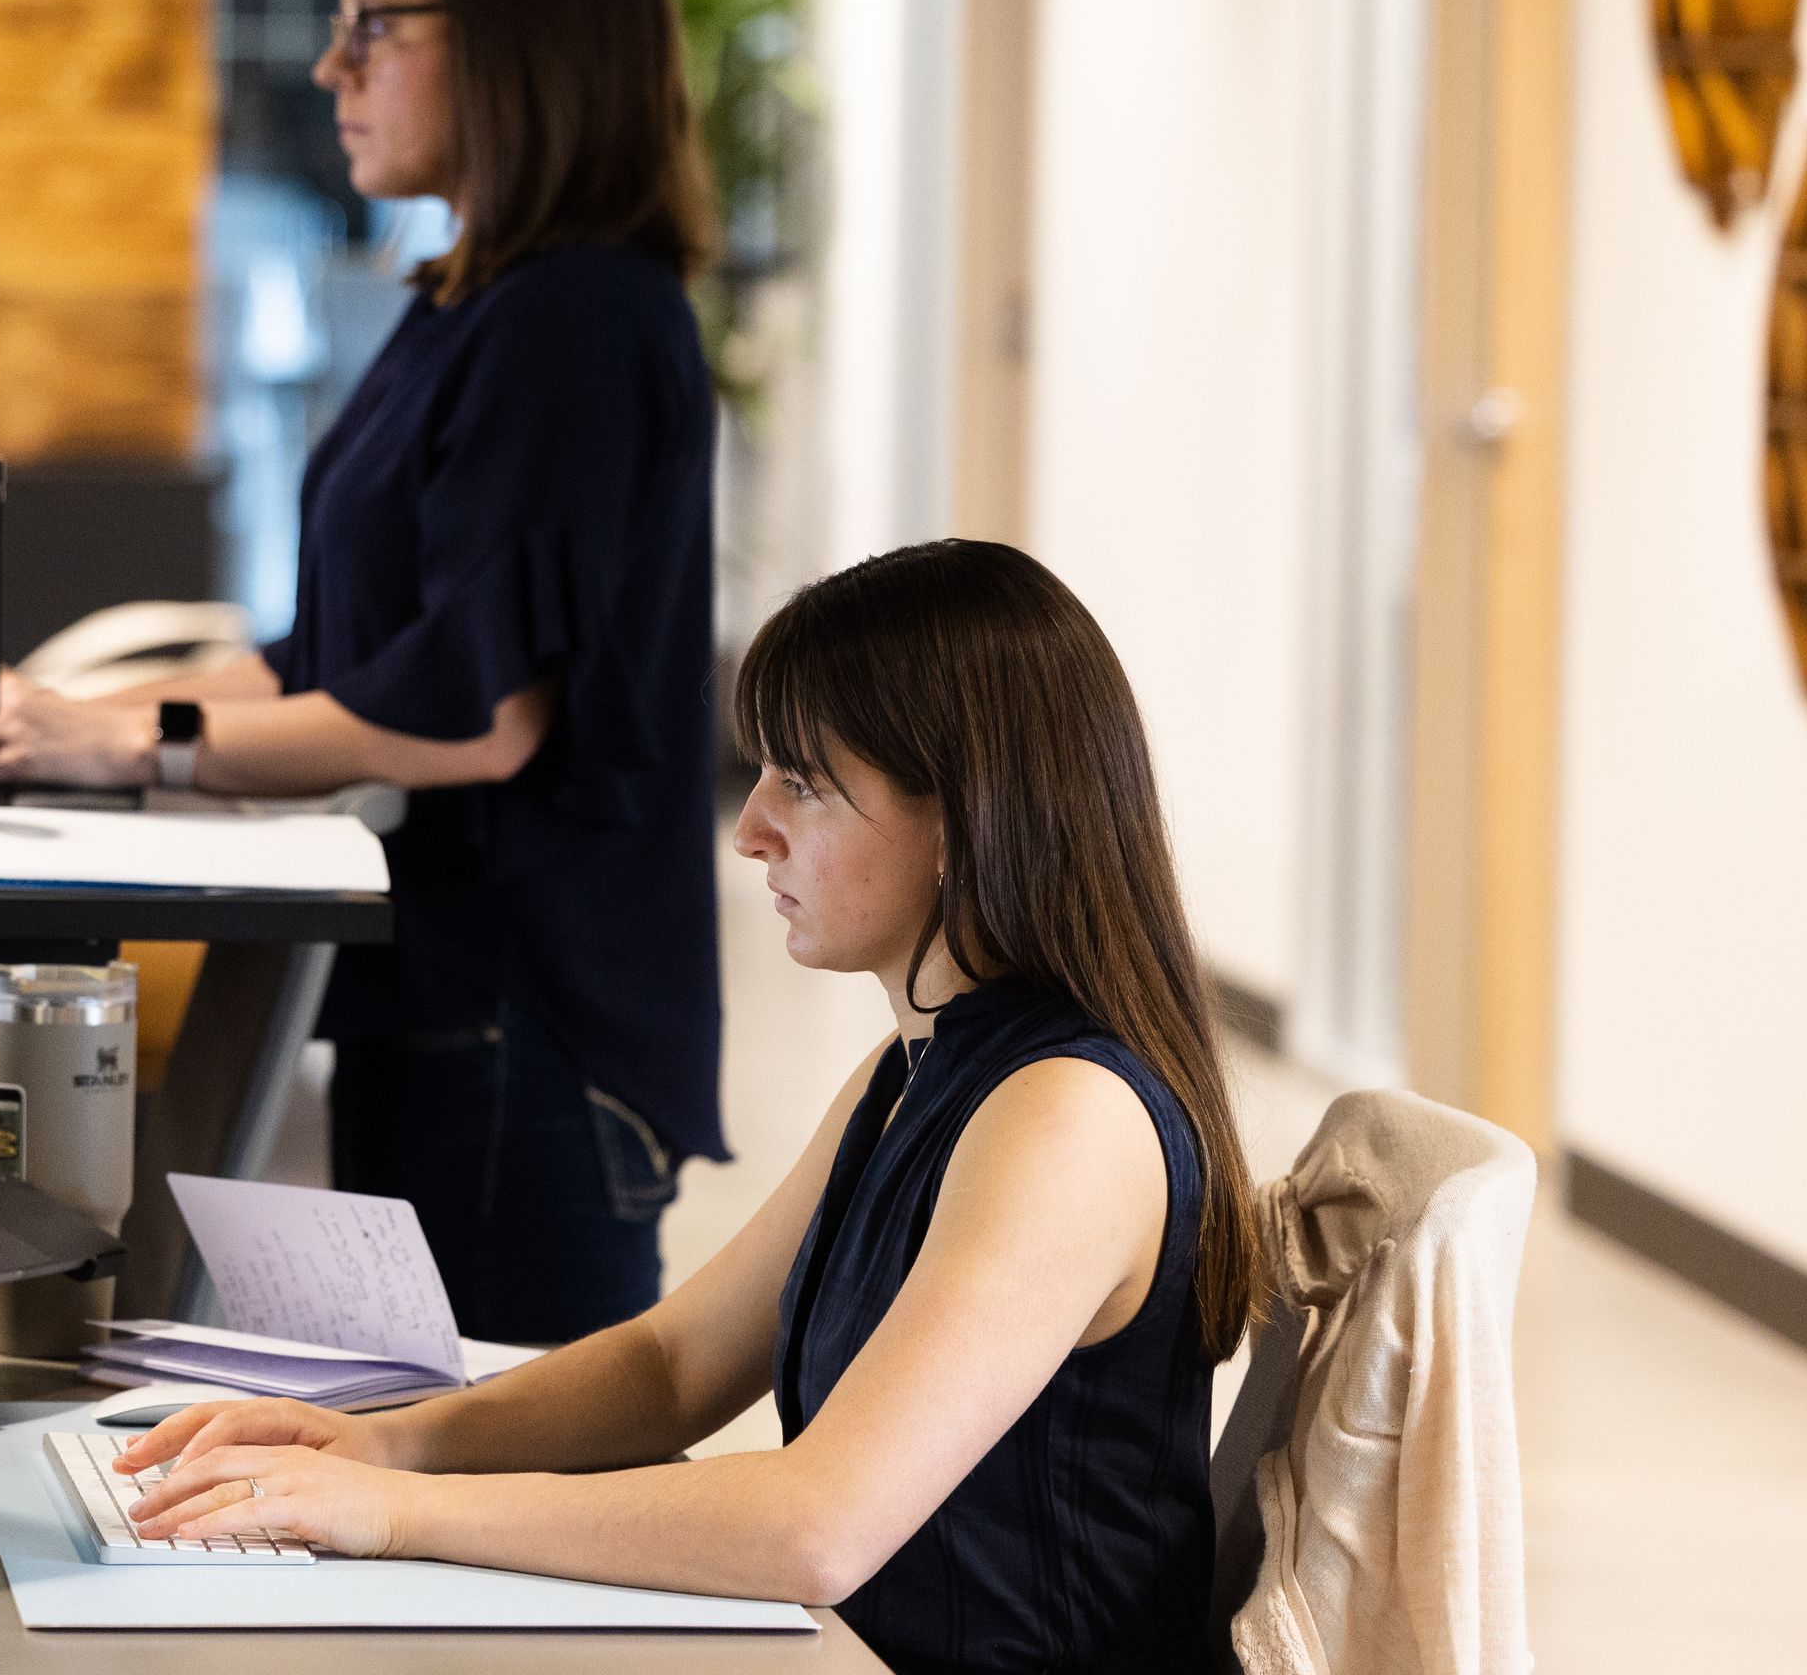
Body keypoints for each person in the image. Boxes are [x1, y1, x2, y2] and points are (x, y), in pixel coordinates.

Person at [109, 541, 1269, 1675]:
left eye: (803, 784)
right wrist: (390, 1441)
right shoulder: (918, 1066)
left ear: (964, 821)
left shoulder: (1067, 1115)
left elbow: (817, 1524)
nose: (751, 827)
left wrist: (394, 1512)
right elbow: (672, 1365)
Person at [0, 0, 724, 1345]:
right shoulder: (474, 302)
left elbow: (472, 716)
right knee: (419, 1429)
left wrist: (140, 746)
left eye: (374, 26)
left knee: (505, 1455)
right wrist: (73, 717)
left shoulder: (576, 320)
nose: (333, 69)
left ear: (515, 41)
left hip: (527, 1021)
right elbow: (344, 659)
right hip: (457, 1004)